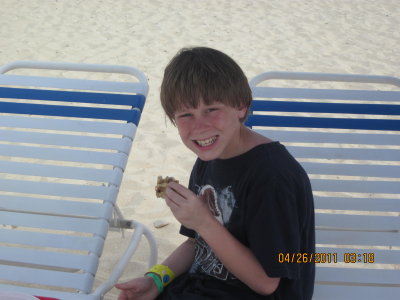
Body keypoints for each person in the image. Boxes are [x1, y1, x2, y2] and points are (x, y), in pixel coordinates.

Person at [116, 47, 315, 300]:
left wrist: (204, 222)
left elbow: (267, 283)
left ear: (241, 106)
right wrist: (156, 278)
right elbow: (196, 244)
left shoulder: (272, 176)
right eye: (186, 114)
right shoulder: (208, 159)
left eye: (211, 109)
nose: (200, 126)